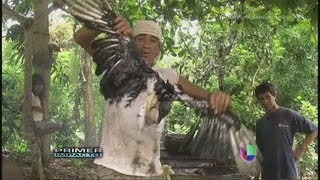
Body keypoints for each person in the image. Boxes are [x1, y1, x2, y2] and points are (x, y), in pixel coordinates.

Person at [74, 17, 231, 179]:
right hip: (114, 169)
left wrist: (218, 97)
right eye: (140, 39)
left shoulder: (167, 76)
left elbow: (208, 97)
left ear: (159, 49)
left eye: (153, 40)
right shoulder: (117, 65)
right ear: (131, 43)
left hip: (151, 172)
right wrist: (106, 23)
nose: (146, 45)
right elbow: (80, 38)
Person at [254, 82, 318, 180]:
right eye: (261, 99)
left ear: (274, 95)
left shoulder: (288, 115)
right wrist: (256, 176)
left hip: (288, 172)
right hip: (268, 174)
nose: (265, 101)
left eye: (268, 96)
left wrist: (300, 149)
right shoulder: (260, 123)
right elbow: (258, 151)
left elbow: (314, 130)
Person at [25, 74, 64, 138]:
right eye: (36, 84)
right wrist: (33, 107)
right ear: (32, 85)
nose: (39, 87)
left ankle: (39, 133)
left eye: (41, 85)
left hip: (39, 123)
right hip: (35, 124)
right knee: (59, 125)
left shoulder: (37, 97)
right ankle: (39, 132)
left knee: (59, 126)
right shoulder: (30, 95)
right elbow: (22, 107)